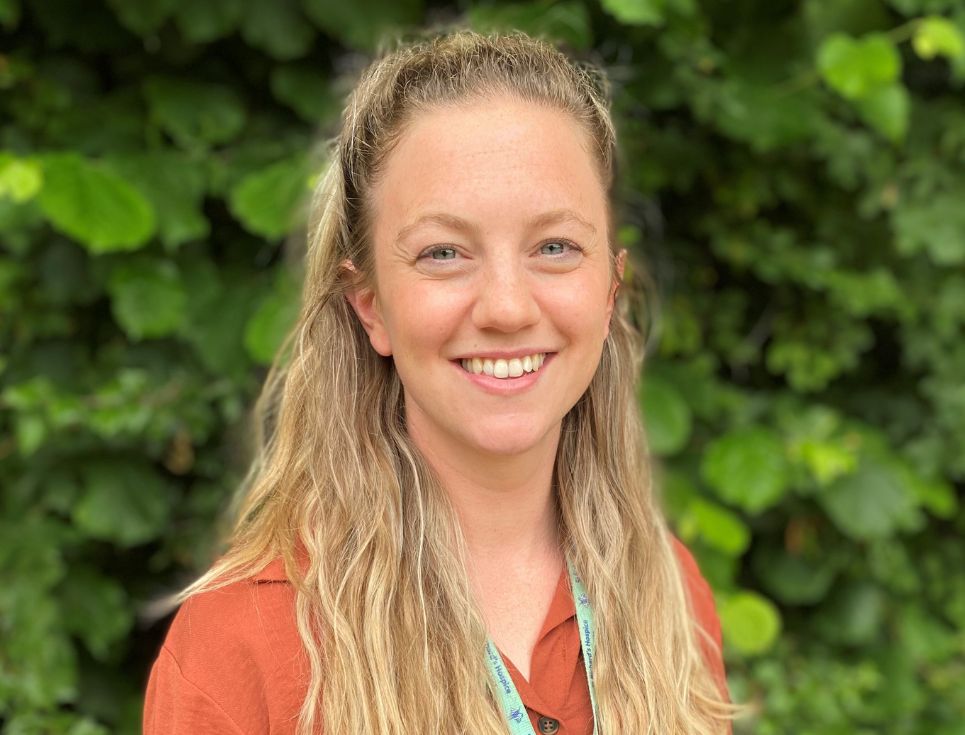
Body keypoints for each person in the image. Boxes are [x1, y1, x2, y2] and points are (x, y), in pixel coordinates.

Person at [143, 28, 738, 735]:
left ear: (610, 289)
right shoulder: (243, 644)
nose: (507, 308)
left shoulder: (667, 593)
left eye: (554, 246)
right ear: (370, 307)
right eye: (444, 252)